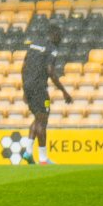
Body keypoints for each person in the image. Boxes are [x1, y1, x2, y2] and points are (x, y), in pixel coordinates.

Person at [21, 25, 74, 165]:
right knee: (42, 121)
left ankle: (28, 152)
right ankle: (43, 159)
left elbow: (24, 66)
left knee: (38, 118)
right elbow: (50, 71)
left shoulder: (35, 44)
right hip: (39, 87)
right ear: (54, 34)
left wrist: (25, 89)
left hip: (29, 86)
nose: (61, 40)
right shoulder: (52, 48)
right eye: (60, 36)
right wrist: (64, 92)